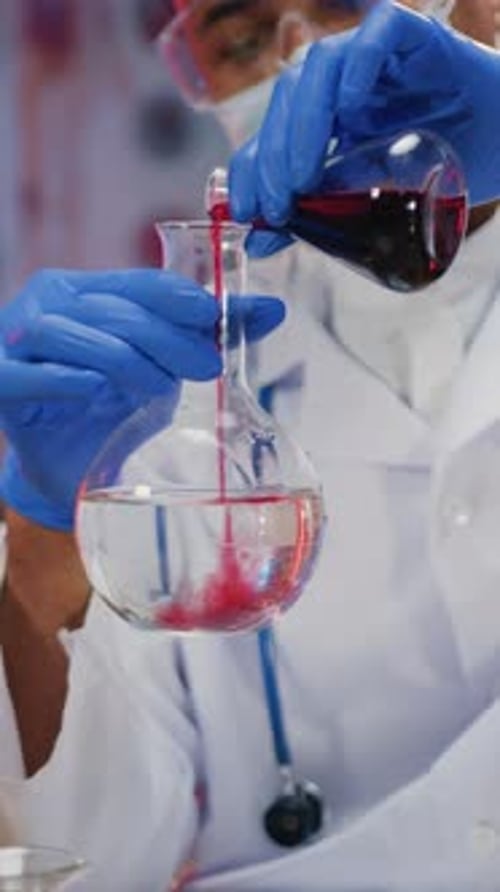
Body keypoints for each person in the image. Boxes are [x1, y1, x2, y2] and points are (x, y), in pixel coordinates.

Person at [1, 1, 500, 890]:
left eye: (345, 5)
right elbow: (82, 858)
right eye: (236, 40)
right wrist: (44, 536)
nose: (300, 53)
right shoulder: (177, 398)